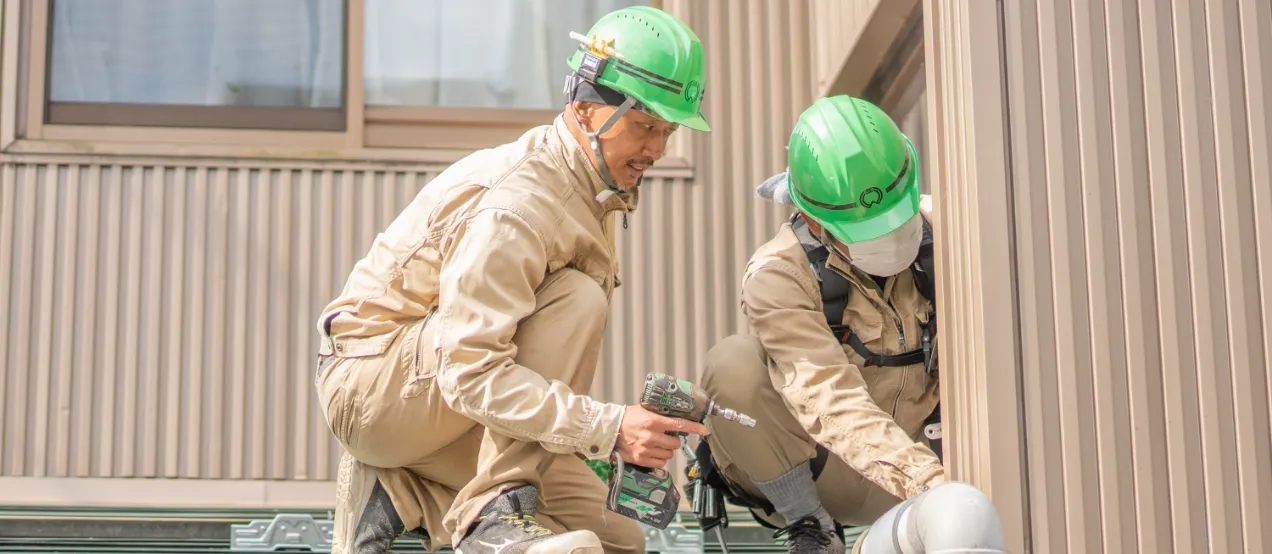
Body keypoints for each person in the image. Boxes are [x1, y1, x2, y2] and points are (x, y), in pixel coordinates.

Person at [312, 6, 713, 553]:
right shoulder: (519, 206)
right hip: (374, 388)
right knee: (576, 297)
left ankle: (403, 489)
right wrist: (610, 426)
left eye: (667, 132)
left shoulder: (591, 187)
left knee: (617, 541)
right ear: (588, 108)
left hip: (439, 398)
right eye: (646, 126)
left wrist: (595, 438)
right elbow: (470, 374)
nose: (658, 150)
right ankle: (491, 515)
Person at [693, 95, 1006, 554]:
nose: (891, 239)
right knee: (731, 364)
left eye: (896, 218)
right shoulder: (779, 274)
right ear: (815, 222)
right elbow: (829, 398)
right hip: (832, 470)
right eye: (869, 230)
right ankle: (811, 529)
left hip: (937, 451)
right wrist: (931, 484)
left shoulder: (948, 228)